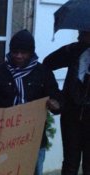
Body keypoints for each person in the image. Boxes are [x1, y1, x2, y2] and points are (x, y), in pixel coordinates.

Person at [0, 29, 62, 175]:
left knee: (33, 171)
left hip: (34, 138)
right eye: (15, 52)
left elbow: (57, 100)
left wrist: (55, 104)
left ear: (31, 53)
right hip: (4, 138)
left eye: (23, 52)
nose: (18, 56)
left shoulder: (43, 73)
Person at [43, 31, 90, 175]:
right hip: (71, 115)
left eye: (84, 33)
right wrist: (57, 96)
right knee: (70, 162)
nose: (78, 36)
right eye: (80, 33)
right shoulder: (74, 50)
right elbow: (47, 63)